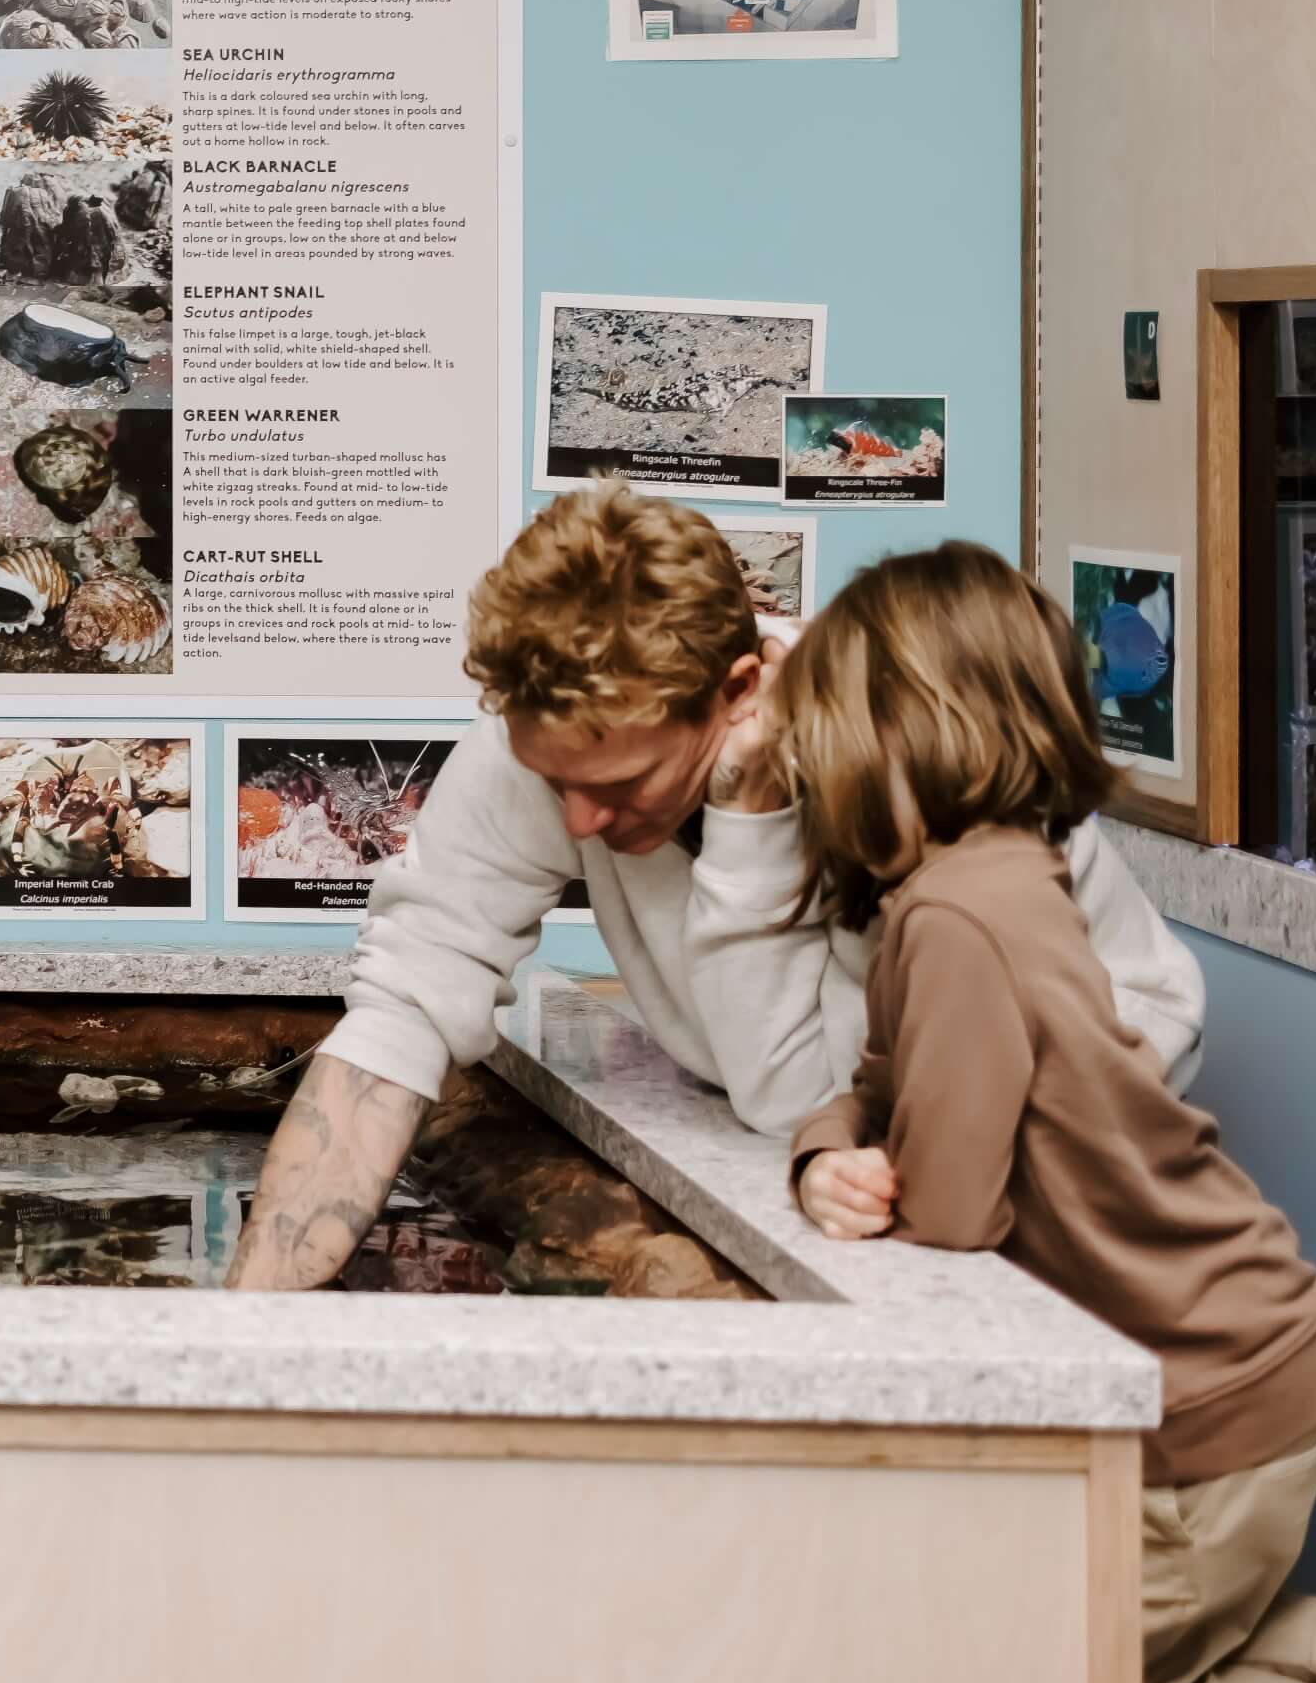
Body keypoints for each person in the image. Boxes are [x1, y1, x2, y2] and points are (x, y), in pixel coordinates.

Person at [230, 483, 1204, 1291]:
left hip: (1095, 1091)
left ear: (737, 689)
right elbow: (400, 1010)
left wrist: (749, 818)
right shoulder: (559, 740)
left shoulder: (898, 771)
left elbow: (795, 1093)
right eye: (551, 781)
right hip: (861, 1118)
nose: (576, 823)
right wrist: (235, 1339)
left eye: (616, 787)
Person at [778, 544, 1316, 1683]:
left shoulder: (954, 917)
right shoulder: (1001, 868)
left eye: (826, 731)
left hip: (1207, 1411)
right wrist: (824, 1153)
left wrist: (865, 1173)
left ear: (920, 729)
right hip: (1241, 1350)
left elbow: (951, 1216)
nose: (806, 763)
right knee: (1084, 1652)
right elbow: (871, 1085)